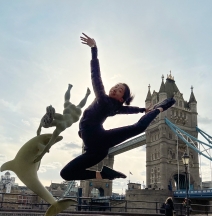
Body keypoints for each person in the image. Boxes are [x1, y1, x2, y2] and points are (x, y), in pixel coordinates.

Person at [60, 33, 176, 181]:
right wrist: (142, 109)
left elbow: (95, 76)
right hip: (95, 151)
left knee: (138, 127)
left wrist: (94, 49)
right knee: (66, 174)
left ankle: (161, 108)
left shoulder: (103, 99)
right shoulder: (114, 107)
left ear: (121, 98)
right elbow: (126, 110)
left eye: (119, 90)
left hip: (98, 140)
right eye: (115, 86)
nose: (115, 88)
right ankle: (104, 175)